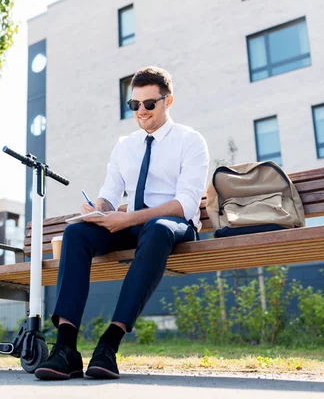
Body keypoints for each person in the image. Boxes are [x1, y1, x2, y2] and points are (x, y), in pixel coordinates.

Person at [34, 66, 210, 380]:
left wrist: (129, 218)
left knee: (156, 229)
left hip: (174, 227)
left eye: (149, 104)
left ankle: (108, 345)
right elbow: (109, 196)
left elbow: (185, 204)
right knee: (75, 233)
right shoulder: (124, 145)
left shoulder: (190, 141)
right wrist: (96, 209)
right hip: (132, 224)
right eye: (134, 105)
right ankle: (65, 349)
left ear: (168, 101)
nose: (141, 111)